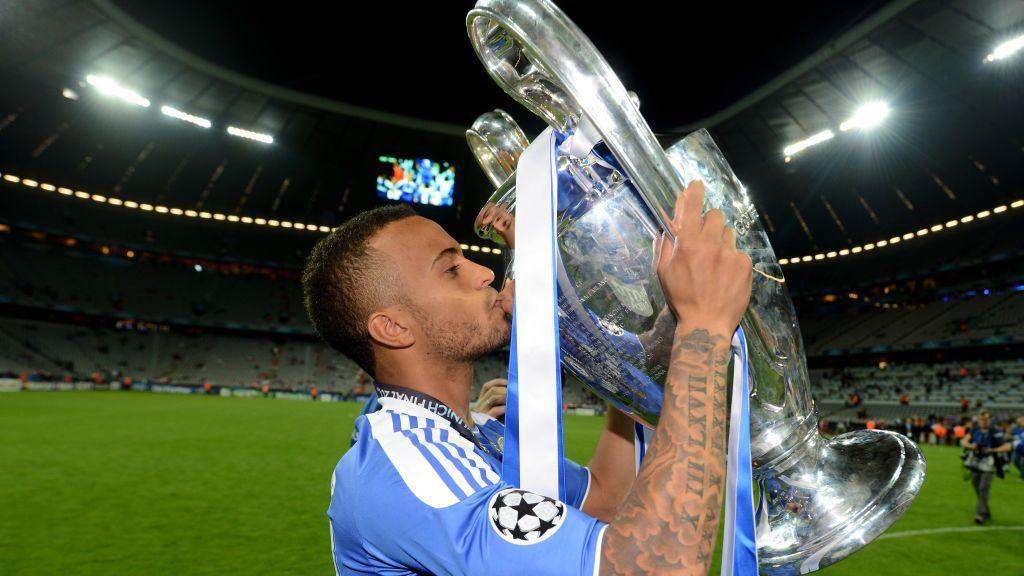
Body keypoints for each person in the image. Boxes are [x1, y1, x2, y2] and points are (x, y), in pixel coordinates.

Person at [302, 181, 752, 575]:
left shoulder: (478, 432)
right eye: (451, 269)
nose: (484, 273)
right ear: (394, 328)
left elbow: (607, 501)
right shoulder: (407, 471)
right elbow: (649, 567)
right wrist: (704, 327)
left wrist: (613, 319)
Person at [960, 410, 1012, 524]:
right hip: (975, 462)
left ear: (990, 420)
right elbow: (963, 441)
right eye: (981, 419)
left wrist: (992, 450)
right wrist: (972, 446)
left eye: (986, 419)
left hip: (990, 463)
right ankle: (985, 511)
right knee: (976, 486)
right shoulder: (975, 430)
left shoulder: (996, 432)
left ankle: (980, 514)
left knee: (983, 487)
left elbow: (1008, 446)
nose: (983, 421)